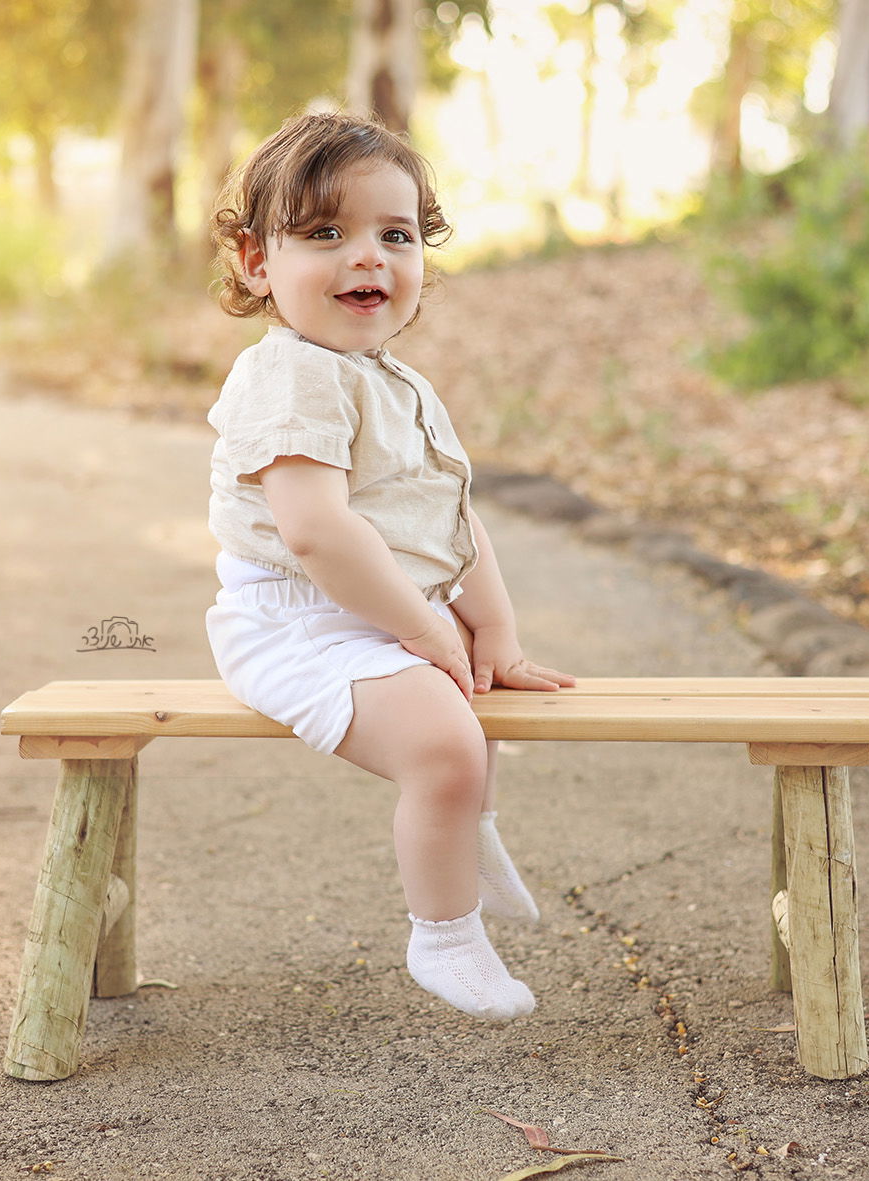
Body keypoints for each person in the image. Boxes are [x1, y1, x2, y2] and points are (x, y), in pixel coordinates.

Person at [203, 111, 576, 1023]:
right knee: (445, 742)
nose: (367, 256)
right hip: (296, 622)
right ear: (258, 262)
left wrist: (496, 626)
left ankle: (468, 844)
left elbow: (449, 516)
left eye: (394, 234)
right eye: (326, 233)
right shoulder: (290, 373)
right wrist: (421, 623)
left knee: (473, 717)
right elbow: (315, 532)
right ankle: (445, 935)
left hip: (370, 612)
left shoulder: (395, 379)